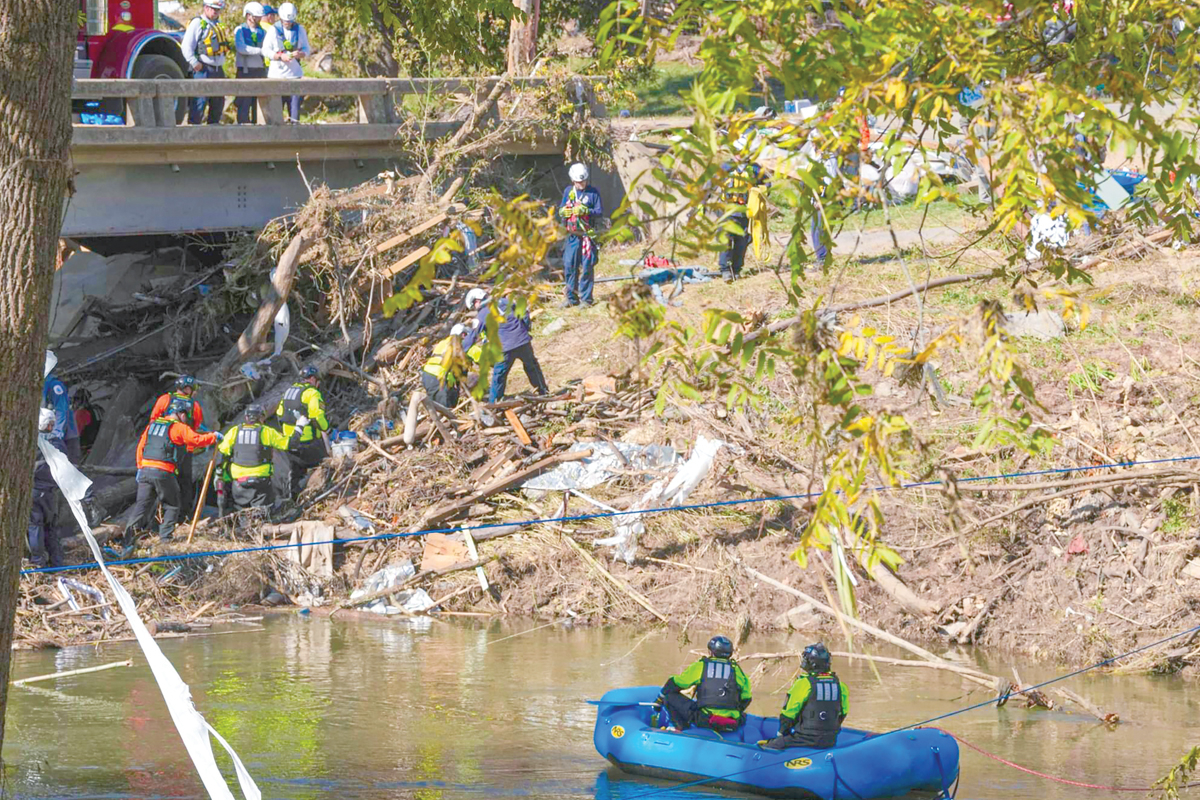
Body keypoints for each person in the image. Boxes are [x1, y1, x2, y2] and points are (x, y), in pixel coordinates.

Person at [123, 408, 218, 546]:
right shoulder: (178, 427)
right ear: (182, 415)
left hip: (145, 471)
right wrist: (213, 437)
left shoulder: (153, 426)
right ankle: (165, 540)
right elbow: (196, 440)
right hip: (163, 471)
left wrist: (140, 467)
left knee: (142, 506)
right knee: (172, 505)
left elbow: (141, 447)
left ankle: (127, 540)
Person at [760, 643, 848, 750]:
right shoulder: (840, 685)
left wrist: (782, 734)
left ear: (812, 663)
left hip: (805, 739)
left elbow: (788, 714)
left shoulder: (804, 683)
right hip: (830, 740)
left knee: (769, 746)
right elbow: (843, 713)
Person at [463, 294, 549, 403]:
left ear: (477, 300)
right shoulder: (504, 301)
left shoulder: (482, 314)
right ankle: (543, 392)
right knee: (532, 366)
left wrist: (460, 350)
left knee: (499, 376)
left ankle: (494, 403)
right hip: (522, 340)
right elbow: (523, 311)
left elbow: (472, 336)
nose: (475, 308)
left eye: (473, 305)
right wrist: (525, 328)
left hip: (505, 348)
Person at [656, 635, 752, 733]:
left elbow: (676, 683)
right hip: (731, 723)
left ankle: (681, 729)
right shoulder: (737, 671)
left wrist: (660, 700)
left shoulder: (702, 666)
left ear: (711, 652)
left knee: (669, 697)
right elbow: (746, 698)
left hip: (706, 720)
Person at [149, 376, 210, 526]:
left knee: (164, 481)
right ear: (188, 389)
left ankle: (160, 516)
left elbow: (153, 419)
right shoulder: (194, 405)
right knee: (185, 482)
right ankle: (183, 516)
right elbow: (196, 425)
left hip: (164, 447)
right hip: (184, 448)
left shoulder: (165, 399)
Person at [216, 404, 301, 510]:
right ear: (261, 418)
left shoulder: (234, 431)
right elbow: (290, 444)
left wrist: (221, 476)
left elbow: (222, 451)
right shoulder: (266, 432)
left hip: (239, 483)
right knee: (263, 511)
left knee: (242, 511)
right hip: (261, 481)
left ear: (246, 418)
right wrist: (299, 427)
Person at [274, 365, 330, 497]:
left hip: (291, 442)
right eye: (317, 380)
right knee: (323, 467)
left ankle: (294, 499)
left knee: (295, 473)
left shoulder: (289, 391)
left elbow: (279, 414)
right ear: (312, 379)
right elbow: (317, 416)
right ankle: (321, 495)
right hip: (308, 442)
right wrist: (327, 429)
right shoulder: (312, 393)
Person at [559, 163, 603, 307]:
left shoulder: (593, 193)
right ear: (573, 180)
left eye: (583, 181)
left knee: (587, 267)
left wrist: (586, 211)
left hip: (587, 236)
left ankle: (586, 299)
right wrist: (562, 212)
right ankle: (571, 298)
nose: (581, 184)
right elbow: (561, 208)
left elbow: (599, 211)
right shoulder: (568, 192)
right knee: (569, 265)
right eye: (578, 182)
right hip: (572, 236)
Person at [182, 0, 231, 126]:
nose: (216, 12)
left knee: (218, 104)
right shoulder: (198, 23)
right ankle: (193, 136)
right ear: (206, 8)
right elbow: (186, 46)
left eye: (218, 9)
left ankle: (213, 137)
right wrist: (194, 63)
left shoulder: (218, 24)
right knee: (199, 103)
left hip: (217, 69)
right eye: (213, 9)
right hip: (202, 70)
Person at [29, 409, 65, 569]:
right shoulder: (57, 443)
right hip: (51, 492)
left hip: (35, 490)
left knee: (35, 525)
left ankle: (38, 562)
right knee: (51, 527)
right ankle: (57, 562)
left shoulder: (31, 443)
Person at [263, 2, 310, 122]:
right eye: (285, 21)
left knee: (294, 110)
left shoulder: (300, 30)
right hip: (276, 75)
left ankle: (295, 134)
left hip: (294, 75)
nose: (287, 23)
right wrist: (280, 56)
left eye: (290, 21)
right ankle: (276, 137)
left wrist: (300, 54)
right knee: (276, 111)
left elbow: (307, 49)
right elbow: (265, 50)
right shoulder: (273, 30)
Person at [718, 158, 764, 282]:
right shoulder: (726, 166)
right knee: (725, 240)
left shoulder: (754, 168)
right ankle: (726, 270)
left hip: (745, 211)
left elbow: (766, 183)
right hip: (727, 210)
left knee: (742, 241)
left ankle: (737, 269)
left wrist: (762, 192)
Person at [421, 323, 473, 409]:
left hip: (427, 375)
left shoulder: (443, 342)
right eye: (465, 335)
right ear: (462, 334)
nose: (465, 337)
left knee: (435, 407)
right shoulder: (457, 346)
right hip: (436, 377)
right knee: (444, 408)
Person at [43, 350, 81, 464]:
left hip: (66, 437)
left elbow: (61, 410)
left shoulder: (54, 385)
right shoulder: (41, 384)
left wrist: (56, 434)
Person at [234, 2, 268, 124]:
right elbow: (242, 48)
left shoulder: (263, 32)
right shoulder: (240, 30)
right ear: (248, 15)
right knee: (244, 101)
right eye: (256, 16)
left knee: (258, 101)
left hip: (259, 70)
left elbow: (268, 49)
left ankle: (257, 125)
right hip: (245, 70)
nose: (259, 19)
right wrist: (260, 51)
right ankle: (242, 125)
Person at [71, 387, 103, 455]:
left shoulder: (81, 413)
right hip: (98, 443)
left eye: (76, 400)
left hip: (85, 447)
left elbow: (77, 432)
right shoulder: (96, 409)